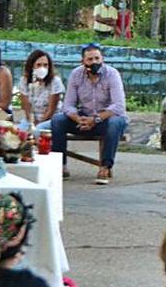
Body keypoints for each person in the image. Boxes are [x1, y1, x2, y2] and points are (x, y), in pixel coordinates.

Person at [51, 43, 129, 185]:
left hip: (106, 119)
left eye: (97, 58)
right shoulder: (76, 74)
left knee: (115, 123)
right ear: (83, 62)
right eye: (90, 59)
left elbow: (119, 106)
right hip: (84, 118)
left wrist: (96, 119)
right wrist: (78, 119)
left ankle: (105, 167)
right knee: (57, 120)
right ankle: (60, 166)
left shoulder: (112, 74)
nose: (94, 62)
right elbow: (68, 105)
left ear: (102, 59)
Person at [19, 49, 65, 133]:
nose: (42, 68)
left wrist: (38, 123)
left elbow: (51, 110)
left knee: (38, 130)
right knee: (20, 131)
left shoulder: (55, 81)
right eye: (39, 65)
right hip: (32, 118)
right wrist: (31, 121)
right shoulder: (24, 81)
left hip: (51, 118)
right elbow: (26, 106)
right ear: (32, 66)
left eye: (45, 65)